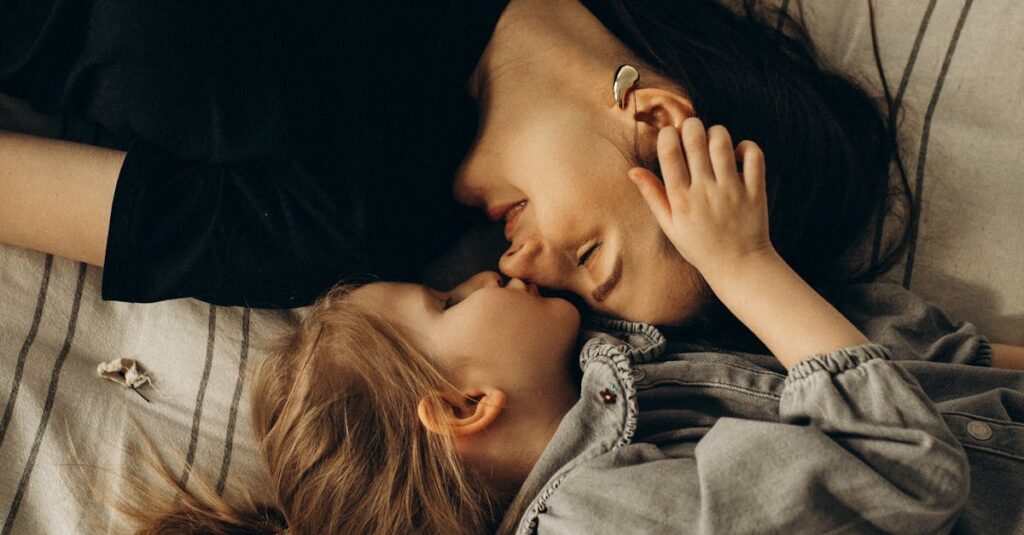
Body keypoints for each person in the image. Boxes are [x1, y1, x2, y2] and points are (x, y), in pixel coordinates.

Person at [115, 123, 1024, 534]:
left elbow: (938, 371)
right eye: (450, 302)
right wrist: (745, 267)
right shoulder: (594, 516)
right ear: (465, 404)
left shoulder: (624, 375)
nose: (488, 270)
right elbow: (908, 475)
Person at [0, 0, 907, 316]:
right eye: (590, 256)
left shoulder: (351, 219)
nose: (520, 268)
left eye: (561, 290)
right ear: (660, 117)